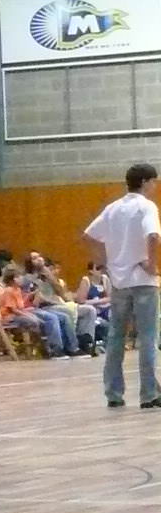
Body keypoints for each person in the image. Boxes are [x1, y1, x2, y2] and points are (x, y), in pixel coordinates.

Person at [81, 163, 161, 407]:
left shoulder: (113, 208)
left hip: (119, 281)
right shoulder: (146, 206)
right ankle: (149, 393)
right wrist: (152, 264)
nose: (155, 185)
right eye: (154, 181)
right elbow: (154, 235)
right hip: (143, 281)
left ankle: (113, 393)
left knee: (116, 337)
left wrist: (106, 263)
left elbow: (88, 235)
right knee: (147, 336)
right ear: (145, 182)